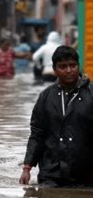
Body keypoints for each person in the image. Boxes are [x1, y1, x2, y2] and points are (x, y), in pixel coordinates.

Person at [19, 45, 93, 187]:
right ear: (54, 70)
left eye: (73, 65)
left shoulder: (91, 94)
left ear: (78, 66)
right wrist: (27, 168)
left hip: (86, 174)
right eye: (63, 67)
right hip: (51, 173)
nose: (69, 70)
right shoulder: (46, 97)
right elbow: (37, 134)